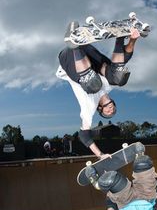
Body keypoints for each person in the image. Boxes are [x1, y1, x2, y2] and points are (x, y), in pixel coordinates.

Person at [56, 21, 140, 159]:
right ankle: (120, 36)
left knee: (93, 85)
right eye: (113, 111)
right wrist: (132, 39)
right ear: (113, 103)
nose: (111, 111)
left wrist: (100, 155)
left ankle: (73, 44)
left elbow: (84, 136)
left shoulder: (89, 107)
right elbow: (124, 59)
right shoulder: (109, 87)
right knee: (118, 78)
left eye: (107, 113)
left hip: (69, 59)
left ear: (100, 109)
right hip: (87, 51)